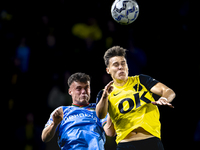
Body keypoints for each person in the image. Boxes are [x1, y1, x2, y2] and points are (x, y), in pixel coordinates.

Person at [96, 46, 176, 150]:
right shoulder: (104, 94)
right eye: (116, 65)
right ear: (108, 70)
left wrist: (164, 98)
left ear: (127, 66)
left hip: (151, 141)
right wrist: (105, 97)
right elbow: (101, 115)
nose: (120, 67)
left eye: (123, 63)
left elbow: (169, 92)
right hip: (125, 145)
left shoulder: (141, 80)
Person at [42, 72, 112, 150]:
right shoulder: (61, 111)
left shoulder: (98, 109)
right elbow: (44, 137)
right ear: (70, 91)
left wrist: (111, 109)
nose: (83, 91)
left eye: (86, 88)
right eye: (79, 88)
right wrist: (54, 124)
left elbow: (109, 132)